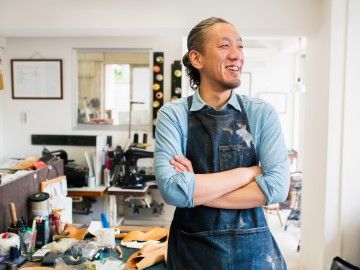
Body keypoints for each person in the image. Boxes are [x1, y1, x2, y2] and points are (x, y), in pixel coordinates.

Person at [154, 17, 290, 269]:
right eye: (224, 46)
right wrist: (248, 173)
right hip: (191, 255)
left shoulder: (262, 114)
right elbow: (172, 190)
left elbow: (277, 189)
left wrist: (194, 191)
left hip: (254, 256)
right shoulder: (173, 115)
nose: (236, 55)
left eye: (240, 46)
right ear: (197, 59)